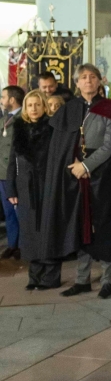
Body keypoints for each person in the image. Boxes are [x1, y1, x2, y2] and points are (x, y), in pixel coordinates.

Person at [41, 64, 111, 299]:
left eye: (92, 77)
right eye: (83, 78)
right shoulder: (69, 109)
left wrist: (87, 166)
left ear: (100, 81)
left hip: (103, 177)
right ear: (76, 83)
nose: (88, 81)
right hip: (74, 179)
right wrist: (74, 167)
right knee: (79, 227)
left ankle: (108, 280)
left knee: (105, 227)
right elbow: (60, 147)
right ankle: (82, 280)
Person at [6, 91, 61, 290]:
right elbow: (12, 161)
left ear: (44, 106)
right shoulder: (19, 128)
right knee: (29, 232)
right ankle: (35, 275)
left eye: (37, 104)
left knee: (48, 229)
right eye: (30, 105)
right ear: (26, 108)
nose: (34, 109)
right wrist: (11, 188)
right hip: (25, 187)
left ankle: (51, 276)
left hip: (47, 185)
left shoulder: (52, 128)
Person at [0, 85, 24, 260]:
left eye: (3, 97)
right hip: (2, 172)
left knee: (19, 211)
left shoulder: (23, 119)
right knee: (8, 211)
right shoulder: (4, 118)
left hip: (15, 172)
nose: (1, 101)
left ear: (12, 99)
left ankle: (24, 245)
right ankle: (12, 244)